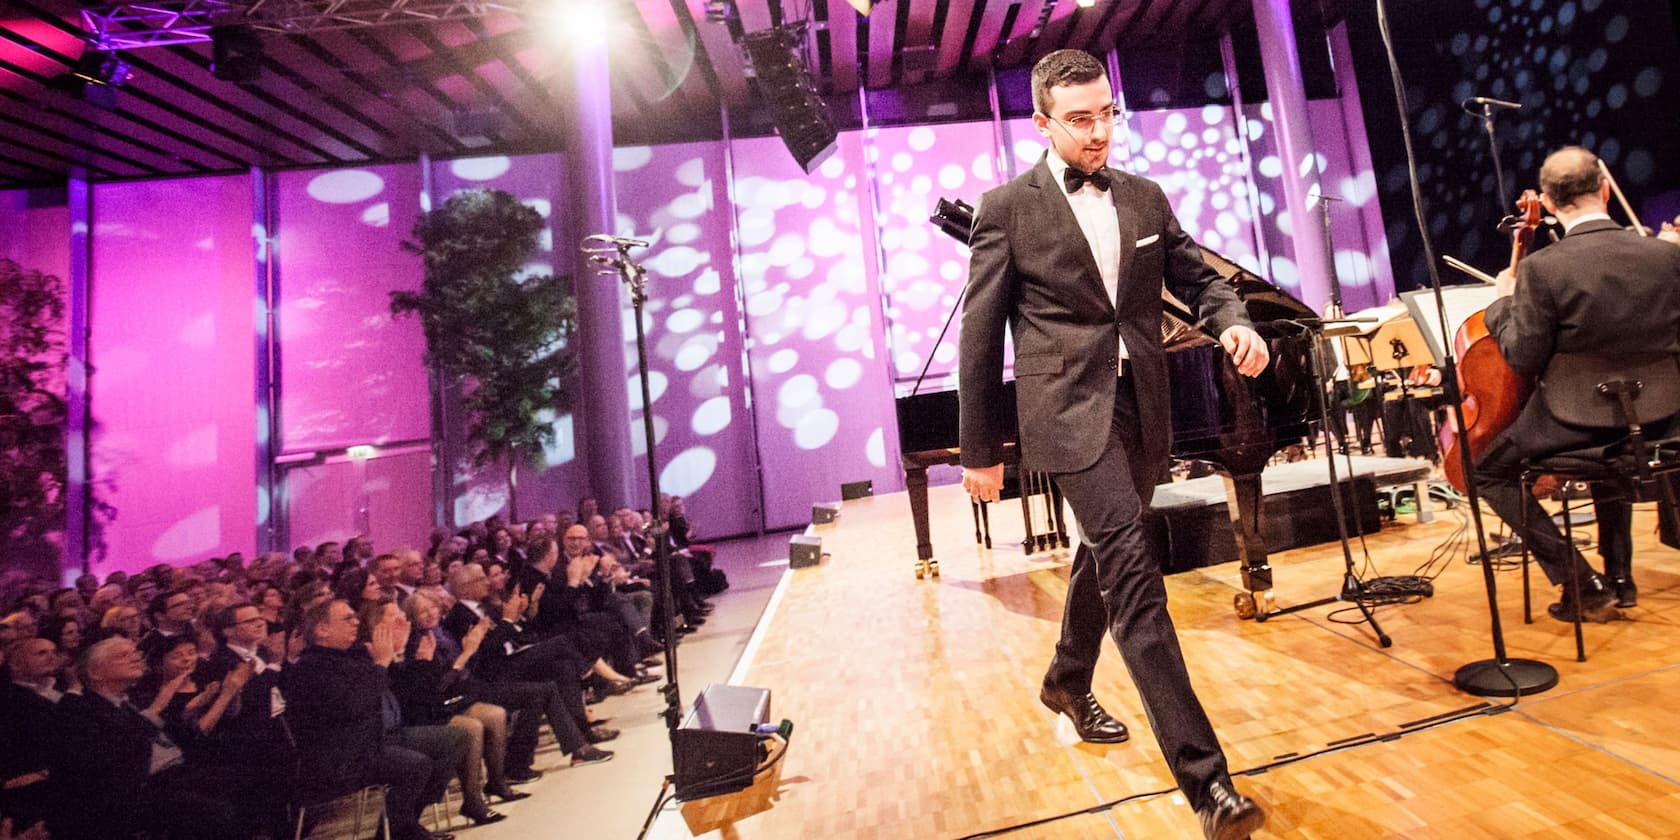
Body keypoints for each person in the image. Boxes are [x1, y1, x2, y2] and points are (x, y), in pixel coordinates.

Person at [957, 49, 1267, 840]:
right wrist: (979, 450)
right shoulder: (1006, 209)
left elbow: (1200, 279)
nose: (1100, 134)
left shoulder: (1143, 196)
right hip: (1067, 417)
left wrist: (1232, 321)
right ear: (1042, 123)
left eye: (1108, 115)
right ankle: (1209, 785)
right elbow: (979, 337)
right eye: (1082, 121)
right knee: (1136, 578)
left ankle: (1066, 679)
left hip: (1144, 408)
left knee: (1105, 550)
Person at [1482, 146, 1680, 619]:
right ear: (1605, 189)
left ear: (1548, 203)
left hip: (1575, 418)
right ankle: (1621, 580)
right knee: (1612, 452)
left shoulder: (1541, 269)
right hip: (1663, 415)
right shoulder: (1666, 256)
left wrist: (1503, 303)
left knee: (1488, 471)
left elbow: (1523, 355)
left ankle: (1579, 579)